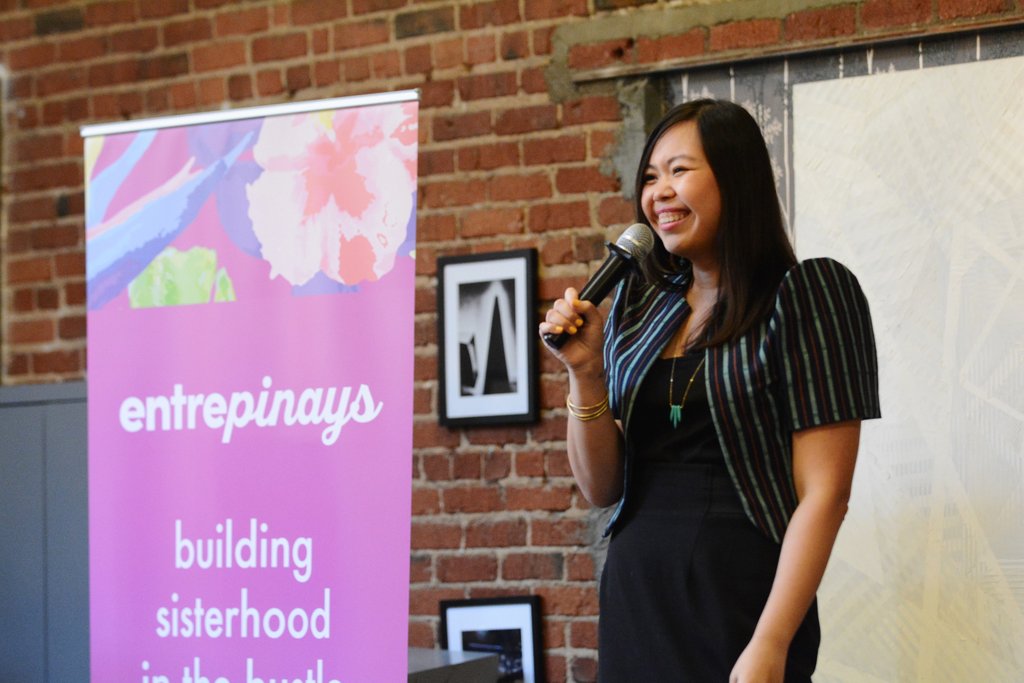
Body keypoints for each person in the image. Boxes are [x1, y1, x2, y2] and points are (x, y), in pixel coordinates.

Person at [538, 99, 880, 683]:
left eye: (679, 170)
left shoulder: (808, 294)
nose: (659, 193)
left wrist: (771, 641)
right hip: (637, 598)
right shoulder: (640, 308)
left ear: (736, 176)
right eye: (650, 177)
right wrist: (585, 372)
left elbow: (826, 493)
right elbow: (602, 488)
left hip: (741, 601)